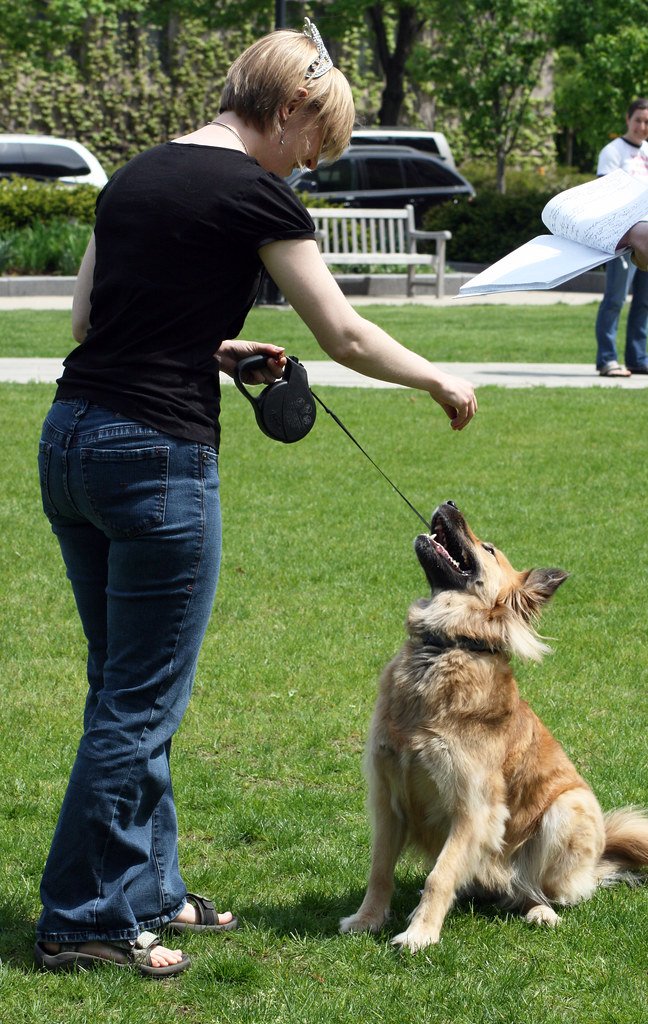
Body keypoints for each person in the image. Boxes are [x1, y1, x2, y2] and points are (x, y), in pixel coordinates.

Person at [35, 20, 477, 977]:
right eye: (313, 149)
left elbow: (87, 321)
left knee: (120, 687)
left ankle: (147, 890)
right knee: (139, 703)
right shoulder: (252, 192)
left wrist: (215, 348)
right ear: (287, 111)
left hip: (70, 441)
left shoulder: (134, 175)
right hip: (155, 456)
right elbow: (347, 335)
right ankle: (81, 919)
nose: (306, 170)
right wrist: (440, 380)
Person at [595, 97, 648, 377]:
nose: (642, 126)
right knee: (615, 298)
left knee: (644, 301)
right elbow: (605, 194)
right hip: (623, 240)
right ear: (628, 120)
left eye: (647, 122)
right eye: (638, 120)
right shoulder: (612, 152)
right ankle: (607, 360)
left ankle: (638, 359)